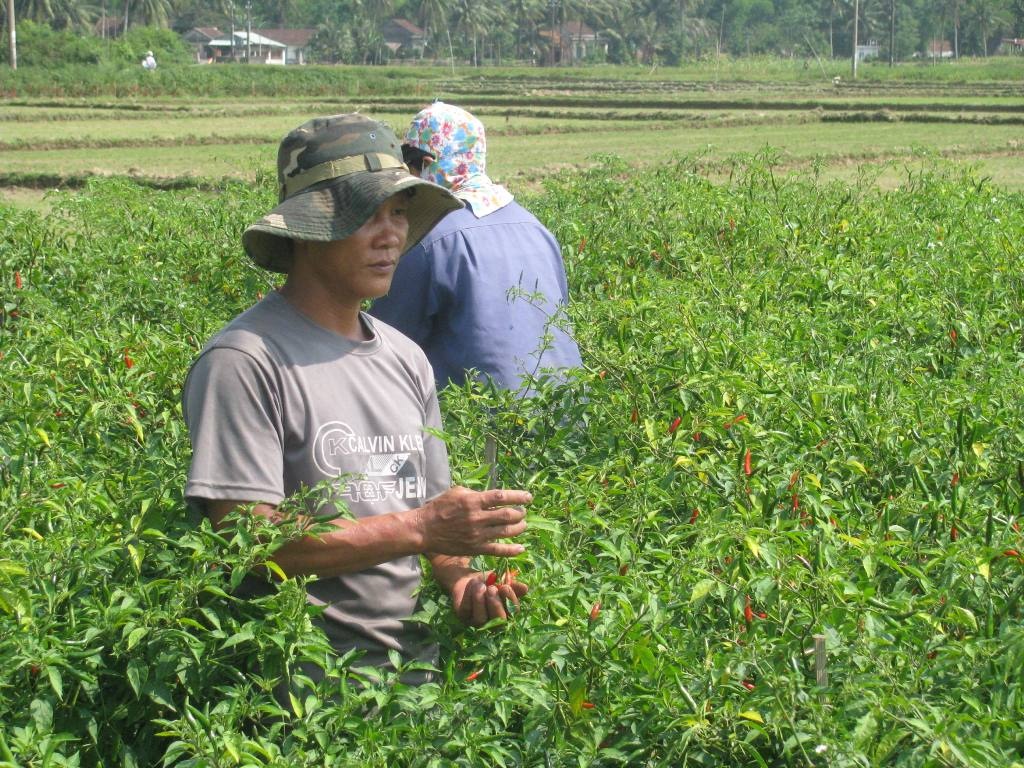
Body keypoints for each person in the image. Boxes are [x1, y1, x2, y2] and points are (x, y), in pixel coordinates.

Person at [182, 114, 531, 684]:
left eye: (398, 212)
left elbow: (433, 517)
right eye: (366, 214)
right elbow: (246, 539)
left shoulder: (404, 357)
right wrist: (420, 528)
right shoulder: (246, 361)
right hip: (303, 697)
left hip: (415, 683)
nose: (391, 234)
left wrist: (461, 579)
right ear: (309, 228)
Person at [368, 101, 582, 394]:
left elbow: (382, 347)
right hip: (566, 416)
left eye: (411, 165)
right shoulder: (536, 229)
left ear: (429, 164)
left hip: (486, 427)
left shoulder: (429, 238)